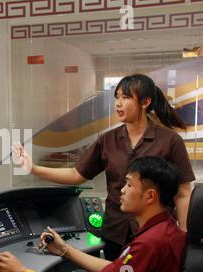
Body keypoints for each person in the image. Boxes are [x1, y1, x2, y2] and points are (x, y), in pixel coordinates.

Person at [13, 74, 195, 260]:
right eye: (117, 97)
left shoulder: (169, 141)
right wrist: (33, 168)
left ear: (145, 102)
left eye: (126, 97)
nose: (118, 103)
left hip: (156, 234)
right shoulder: (108, 140)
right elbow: (77, 174)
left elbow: (183, 193)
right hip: (115, 233)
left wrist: (184, 235)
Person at [0, 156, 187, 272]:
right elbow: (117, 270)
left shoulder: (149, 243)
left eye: (128, 184)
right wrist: (65, 250)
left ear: (150, 196)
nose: (122, 190)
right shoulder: (165, 229)